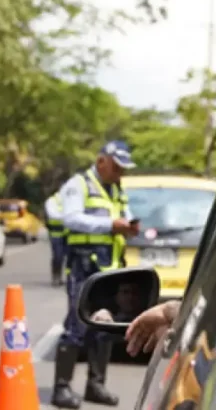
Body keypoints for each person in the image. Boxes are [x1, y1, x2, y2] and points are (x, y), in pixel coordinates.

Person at [51, 140, 140, 409]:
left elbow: (123, 215)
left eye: (123, 168)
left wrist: (129, 226)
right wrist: (110, 225)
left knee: (104, 328)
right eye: (117, 167)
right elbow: (71, 219)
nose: (120, 173)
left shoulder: (116, 188)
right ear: (102, 161)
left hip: (109, 269)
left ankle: (95, 386)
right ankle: (61, 388)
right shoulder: (78, 184)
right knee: (76, 326)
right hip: (83, 266)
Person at [44, 191, 67, 286]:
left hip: (70, 234)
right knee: (58, 256)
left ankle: (71, 278)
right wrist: (70, 216)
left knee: (72, 258)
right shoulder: (52, 201)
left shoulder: (72, 199)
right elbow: (52, 214)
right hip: (56, 234)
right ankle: (56, 277)